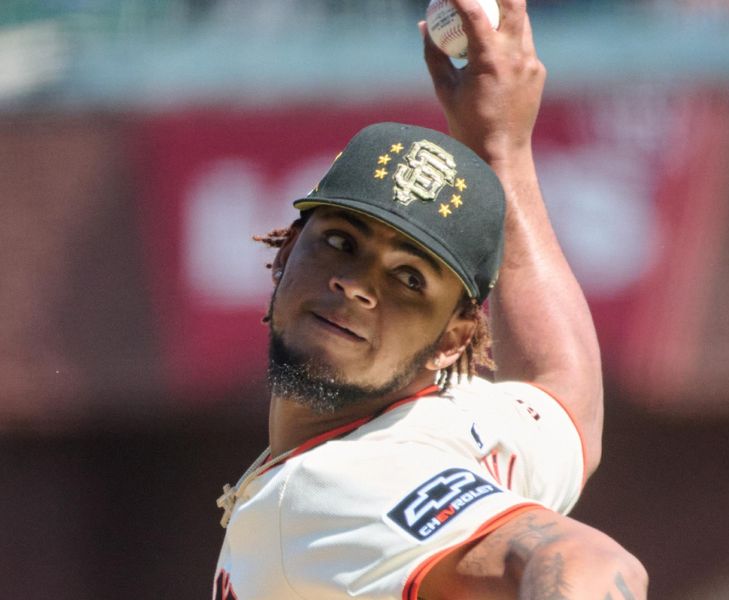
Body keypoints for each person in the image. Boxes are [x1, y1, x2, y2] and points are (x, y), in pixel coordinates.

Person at [213, 0, 648, 598]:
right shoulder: (466, 416)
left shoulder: (326, 487)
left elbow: (585, 558)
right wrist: (503, 148)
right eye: (341, 241)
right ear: (286, 253)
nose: (357, 285)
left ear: (453, 339)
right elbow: (567, 399)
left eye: (410, 279)